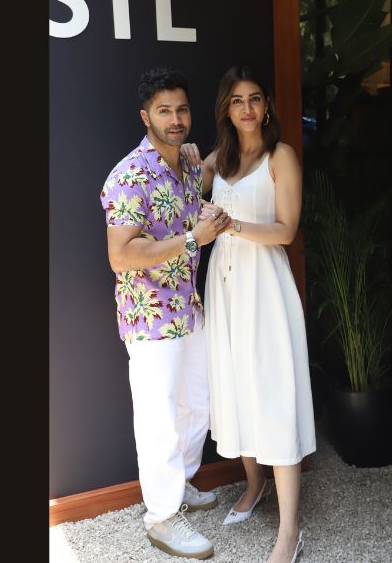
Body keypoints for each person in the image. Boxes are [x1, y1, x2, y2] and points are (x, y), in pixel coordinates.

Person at [181, 65, 316, 563]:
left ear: (267, 105)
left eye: (255, 98)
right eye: (237, 100)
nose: (247, 108)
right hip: (226, 285)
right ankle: (255, 484)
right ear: (226, 109)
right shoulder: (219, 159)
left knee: (273, 390)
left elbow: (286, 231)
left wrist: (231, 224)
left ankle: (289, 530)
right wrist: (187, 162)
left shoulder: (282, 156)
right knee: (235, 385)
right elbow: (183, 194)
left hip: (265, 286)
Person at [100, 67, 231, 560]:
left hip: (188, 309)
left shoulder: (188, 166)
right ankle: (161, 518)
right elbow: (121, 255)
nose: (175, 119)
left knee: (197, 404)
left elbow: (196, 198)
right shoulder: (129, 175)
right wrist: (193, 239)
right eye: (164, 111)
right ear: (145, 117)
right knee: (158, 419)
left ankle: (181, 485)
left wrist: (208, 215)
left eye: (182, 110)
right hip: (151, 317)